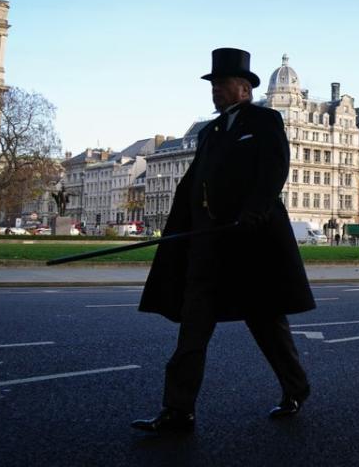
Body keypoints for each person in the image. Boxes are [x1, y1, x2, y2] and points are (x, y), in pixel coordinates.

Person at [133, 48, 316, 434]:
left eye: (222, 84)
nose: (215, 91)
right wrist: (176, 228)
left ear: (244, 89)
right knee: (192, 331)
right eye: (213, 85)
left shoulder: (265, 120)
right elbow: (192, 182)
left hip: (252, 243)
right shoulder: (209, 133)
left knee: (267, 325)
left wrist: (254, 209)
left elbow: (274, 168)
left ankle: (295, 387)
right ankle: (178, 410)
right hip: (209, 247)